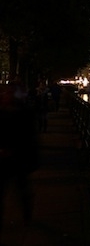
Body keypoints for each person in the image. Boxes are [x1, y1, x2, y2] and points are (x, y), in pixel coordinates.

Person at [0, 81, 40, 234]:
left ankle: (26, 214)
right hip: (17, 159)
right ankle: (27, 215)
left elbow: (28, 138)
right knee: (22, 188)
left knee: (20, 188)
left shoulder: (17, 112)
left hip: (15, 158)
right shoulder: (25, 112)